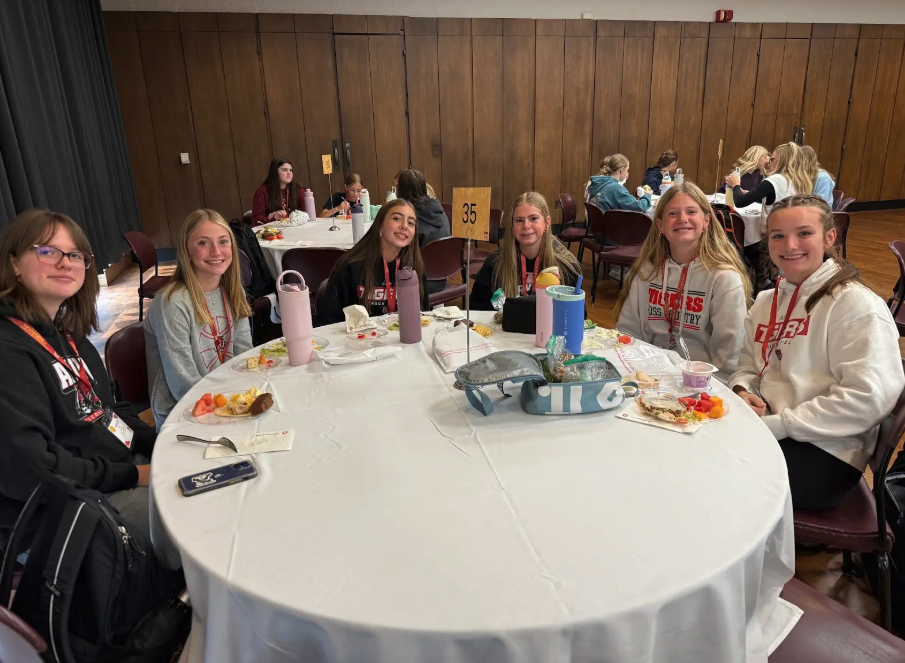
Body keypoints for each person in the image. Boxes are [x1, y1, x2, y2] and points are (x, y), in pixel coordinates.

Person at [729, 195, 904, 510]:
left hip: (827, 451)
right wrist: (741, 390)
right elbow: (746, 367)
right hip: (769, 430)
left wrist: (781, 424)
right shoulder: (766, 301)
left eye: (804, 233)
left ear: (829, 237)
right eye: (778, 235)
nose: (789, 244)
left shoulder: (856, 305)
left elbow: (868, 398)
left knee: (707, 473)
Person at [0, 210, 156, 539]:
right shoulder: (9, 349)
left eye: (75, 254)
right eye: (47, 251)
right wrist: (135, 475)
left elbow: (110, 409)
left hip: (114, 467)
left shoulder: (69, 334)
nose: (65, 262)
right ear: (13, 263)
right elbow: (34, 470)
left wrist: (159, 446)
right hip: (67, 505)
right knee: (202, 520)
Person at [614, 181, 751, 381]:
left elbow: (729, 354)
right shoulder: (646, 272)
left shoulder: (724, 279)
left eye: (691, 212)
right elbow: (627, 332)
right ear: (660, 225)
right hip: (647, 378)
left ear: (706, 221)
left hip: (702, 384)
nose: (682, 219)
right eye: (673, 213)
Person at [145, 209, 252, 428]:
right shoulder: (173, 302)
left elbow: (243, 359)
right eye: (203, 243)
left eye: (223, 242)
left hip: (227, 403)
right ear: (186, 250)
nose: (216, 251)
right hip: (185, 415)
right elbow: (183, 384)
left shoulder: (232, 292)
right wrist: (231, 411)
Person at [316, 199, 430, 325]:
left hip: (402, 340)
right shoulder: (350, 266)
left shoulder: (414, 267)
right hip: (357, 341)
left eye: (411, 223)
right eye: (397, 219)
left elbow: (422, 315)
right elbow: (327, 323)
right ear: (380, 224)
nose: (404, 226)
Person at [471, 192, 582, 311]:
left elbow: (579, 314)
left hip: (551, 328)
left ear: (547, 223)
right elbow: (477, 309)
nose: (526, 225)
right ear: (512, 225)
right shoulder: (494, 262)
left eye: (533, 218)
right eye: (519, 220)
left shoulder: (566, 264)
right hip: (504, 328)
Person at [725, 142, 812, 208]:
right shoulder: (798, 181)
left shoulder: (775, 180)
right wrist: (748, 193)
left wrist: (736, 184)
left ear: (781, 161)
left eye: (772, 159)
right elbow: (771, 198)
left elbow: (740, 202)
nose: (768, 163)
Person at [394, 169, 450, 248]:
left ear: (401, 191)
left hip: (422, 259)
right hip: (447, 258)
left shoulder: (409, 221)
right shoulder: (440, 210)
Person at [585, 154, 652, 213]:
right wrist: (647, 196)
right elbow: (639, 207)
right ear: (621, 170)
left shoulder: (598, 183)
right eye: (627, 170)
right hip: (610, 225)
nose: (627, 173)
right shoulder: (615, 188)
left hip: (596, 225)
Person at [251, 157, 305, 226]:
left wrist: (287, 216)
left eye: (291, 170)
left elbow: (305, 213)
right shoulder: (262, 192)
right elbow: (256, 220)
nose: (289, 173)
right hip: (270, 231)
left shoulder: (298, 189)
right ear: (275, 172)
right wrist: (273, 218)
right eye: (284, 170)